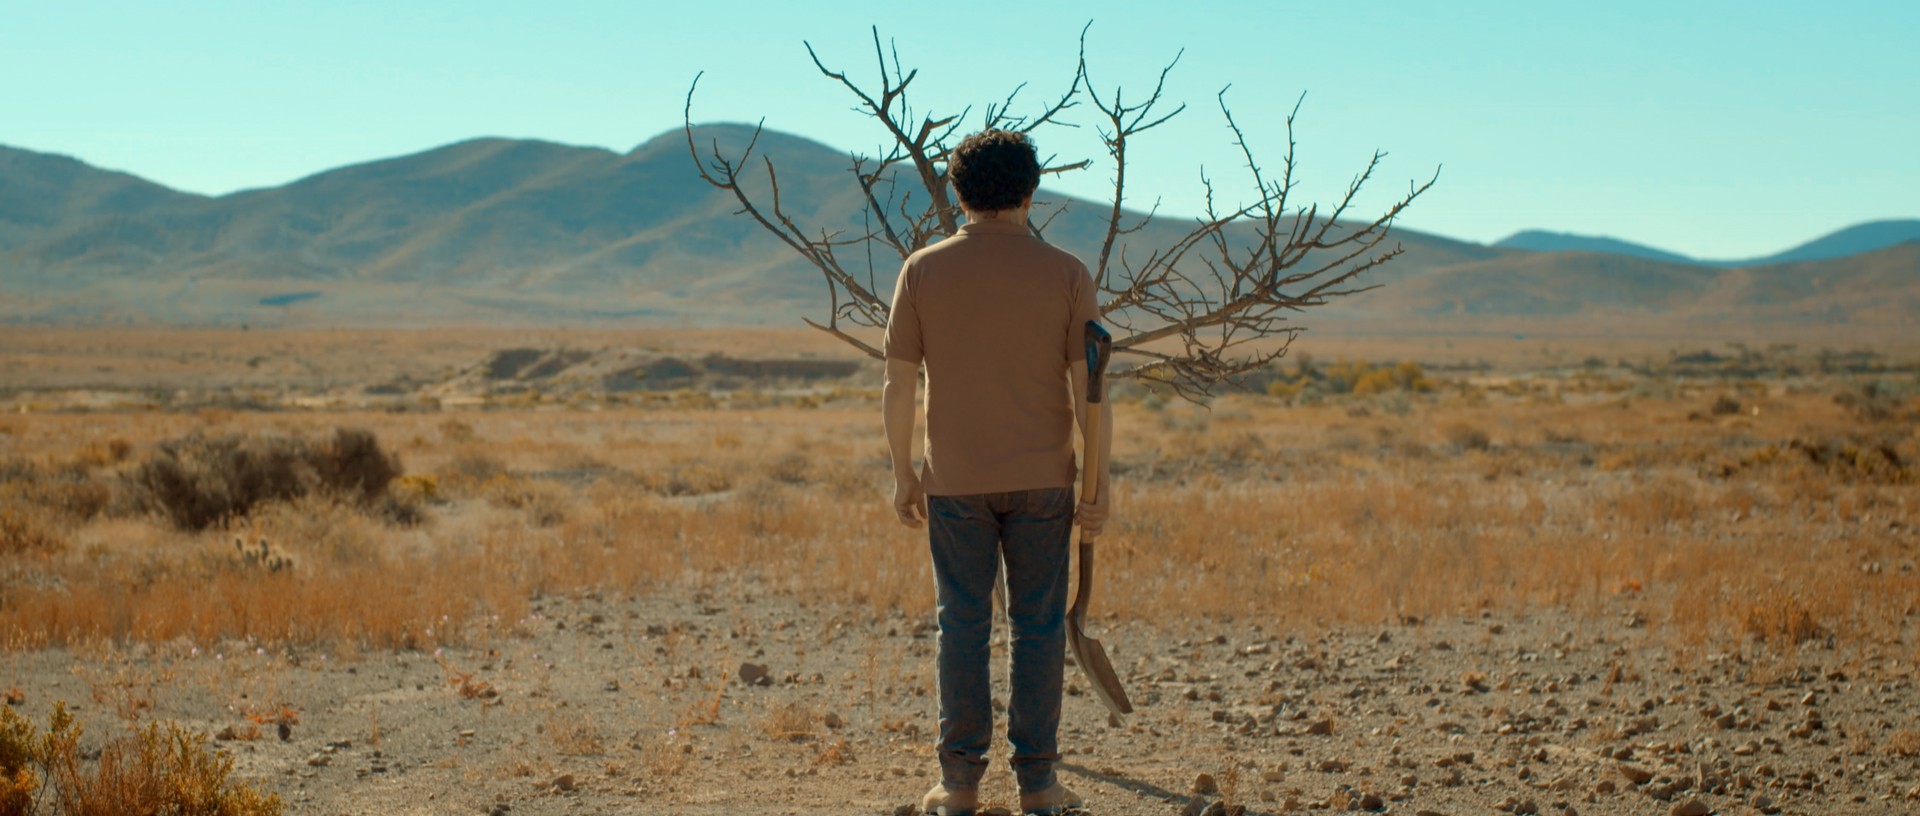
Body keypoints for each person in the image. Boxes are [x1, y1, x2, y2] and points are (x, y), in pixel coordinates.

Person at [882, 128, 1111, 816]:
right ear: (1031, 193)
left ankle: (958, 786)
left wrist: (903, 471)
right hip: (1045, 481)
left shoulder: (922, 270)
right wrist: (1098, 484)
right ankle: (1038, 786)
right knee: (1038, 627)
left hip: (954, 482)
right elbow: (1092, 392)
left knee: (962, 625)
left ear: (958, 193)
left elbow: (898, 383)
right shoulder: (1067, 273)